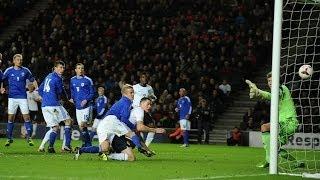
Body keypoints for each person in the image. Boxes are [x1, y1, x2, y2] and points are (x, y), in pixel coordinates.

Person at [74, 84, 150, 161]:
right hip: (112, 120)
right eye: (131, 92)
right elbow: (124, 119)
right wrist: (133, 127)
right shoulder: (126, 102)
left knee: (104, 148)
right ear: (124, 94)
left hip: (104, 123)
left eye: (133, 92)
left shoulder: (123, 102)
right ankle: (140, 148)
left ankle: (80, 150)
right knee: (131, 134)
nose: (133, 94)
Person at [246, 72, 304, 168]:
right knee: (275, 146)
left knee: (265, 127)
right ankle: (295, 162)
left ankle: (269, 160)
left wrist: (258, 92)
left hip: (289, 122)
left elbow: (275, 94)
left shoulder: (282, 88)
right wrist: (258, 92)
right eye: (269, 81)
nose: (270, 82)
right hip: (284, 123)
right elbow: (270, 95)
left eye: (272, 80)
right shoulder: (275, 91)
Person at [2, 54, 38, 147]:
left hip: (22, 97)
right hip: (12, 98)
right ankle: (9, 138)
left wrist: (37, 89)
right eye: (18, 60)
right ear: (14, 61)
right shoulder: (8, 71)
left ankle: (29, 138)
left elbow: (33, 80)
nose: (20, 61)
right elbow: (2, 79)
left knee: (27, 117)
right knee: (10, 118)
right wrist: (1, 88)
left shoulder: (25, 70)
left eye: (21, 60)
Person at [38, 61, 73, 153]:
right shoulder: (57, 78)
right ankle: (66, 145)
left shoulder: (48, 76)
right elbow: (62, 93)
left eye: (63, 68)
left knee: (55, 127)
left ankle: (50, 147)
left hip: (44, 106)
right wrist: (68, 100)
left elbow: (40, 89)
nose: (62, 69)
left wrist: (45, 97)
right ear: (55, 68)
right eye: (60, 67)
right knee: (68, 120)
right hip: (53, 104)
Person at [69, 63, 95, 147]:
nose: (81, 70)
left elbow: (92, 93)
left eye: (82, 68)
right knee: (81, 127)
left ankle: (85, 143)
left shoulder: (88, 80)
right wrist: (72, 98)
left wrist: (86, 99)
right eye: (79, 68)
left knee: (83, 124)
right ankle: (88, 144)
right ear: (75, 70)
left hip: (87, 106)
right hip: (78, 107)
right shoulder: (72, 80)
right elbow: (72, 90)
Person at [133, 72, 157, 147]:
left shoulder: (149, 88)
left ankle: (146, 145)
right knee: (138, 129)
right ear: (140, 79)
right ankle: (140, 145)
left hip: (144, 110)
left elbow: (153, 97)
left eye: (146, 77)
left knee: (152, 126)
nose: (145, 79)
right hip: (136, 109)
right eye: (143, 77)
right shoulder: (134, 87)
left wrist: (151, 100)